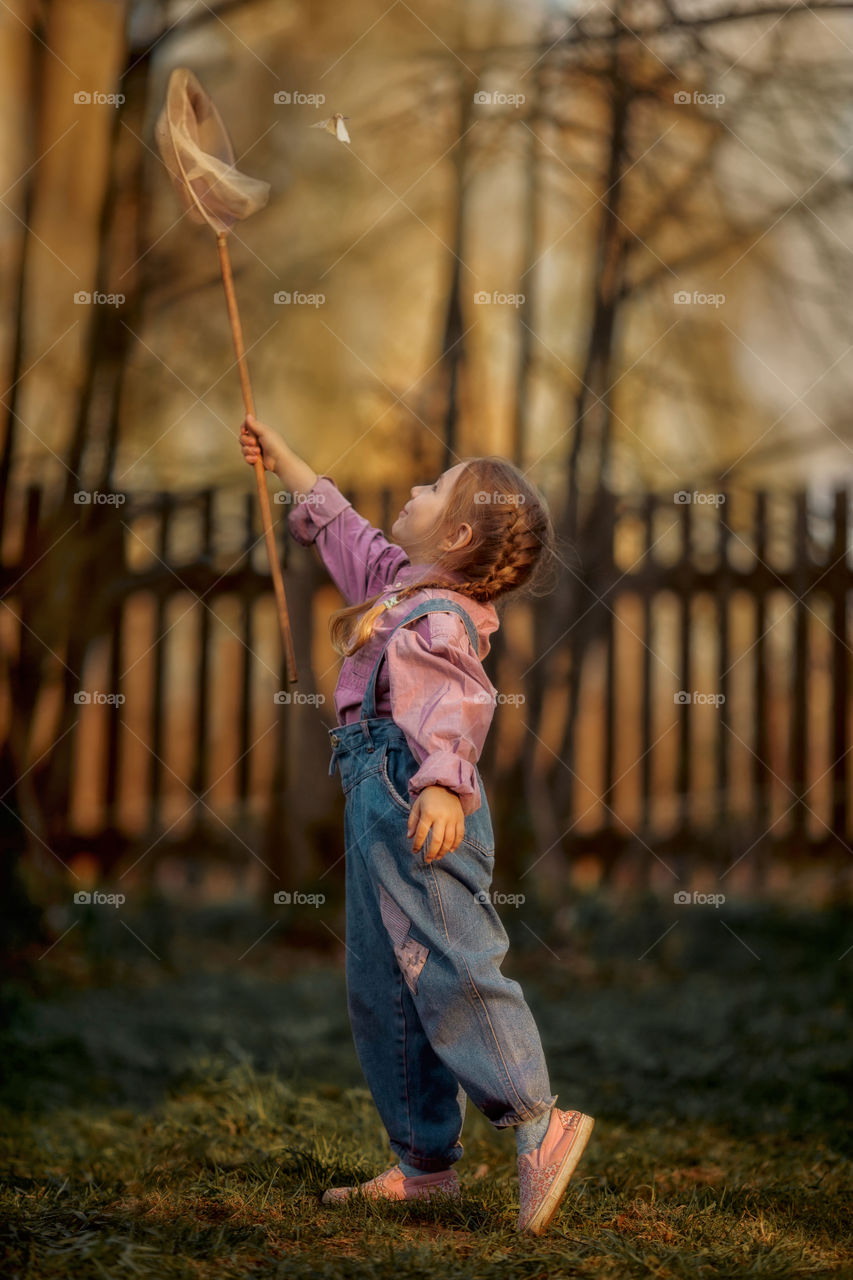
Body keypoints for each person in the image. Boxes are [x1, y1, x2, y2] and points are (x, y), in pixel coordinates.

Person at [240, 413, 594, 1234]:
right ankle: (424, 1165)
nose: (412, 489)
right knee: (381, 983)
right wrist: (287, 457)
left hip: (416, 800)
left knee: (450, 965)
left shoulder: (438, 616)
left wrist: (440, 784)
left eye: (433, 487)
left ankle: (539, 1119)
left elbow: (458, 704)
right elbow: (343, 532)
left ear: (458, 531)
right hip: (375, 801)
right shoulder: (399, 583)